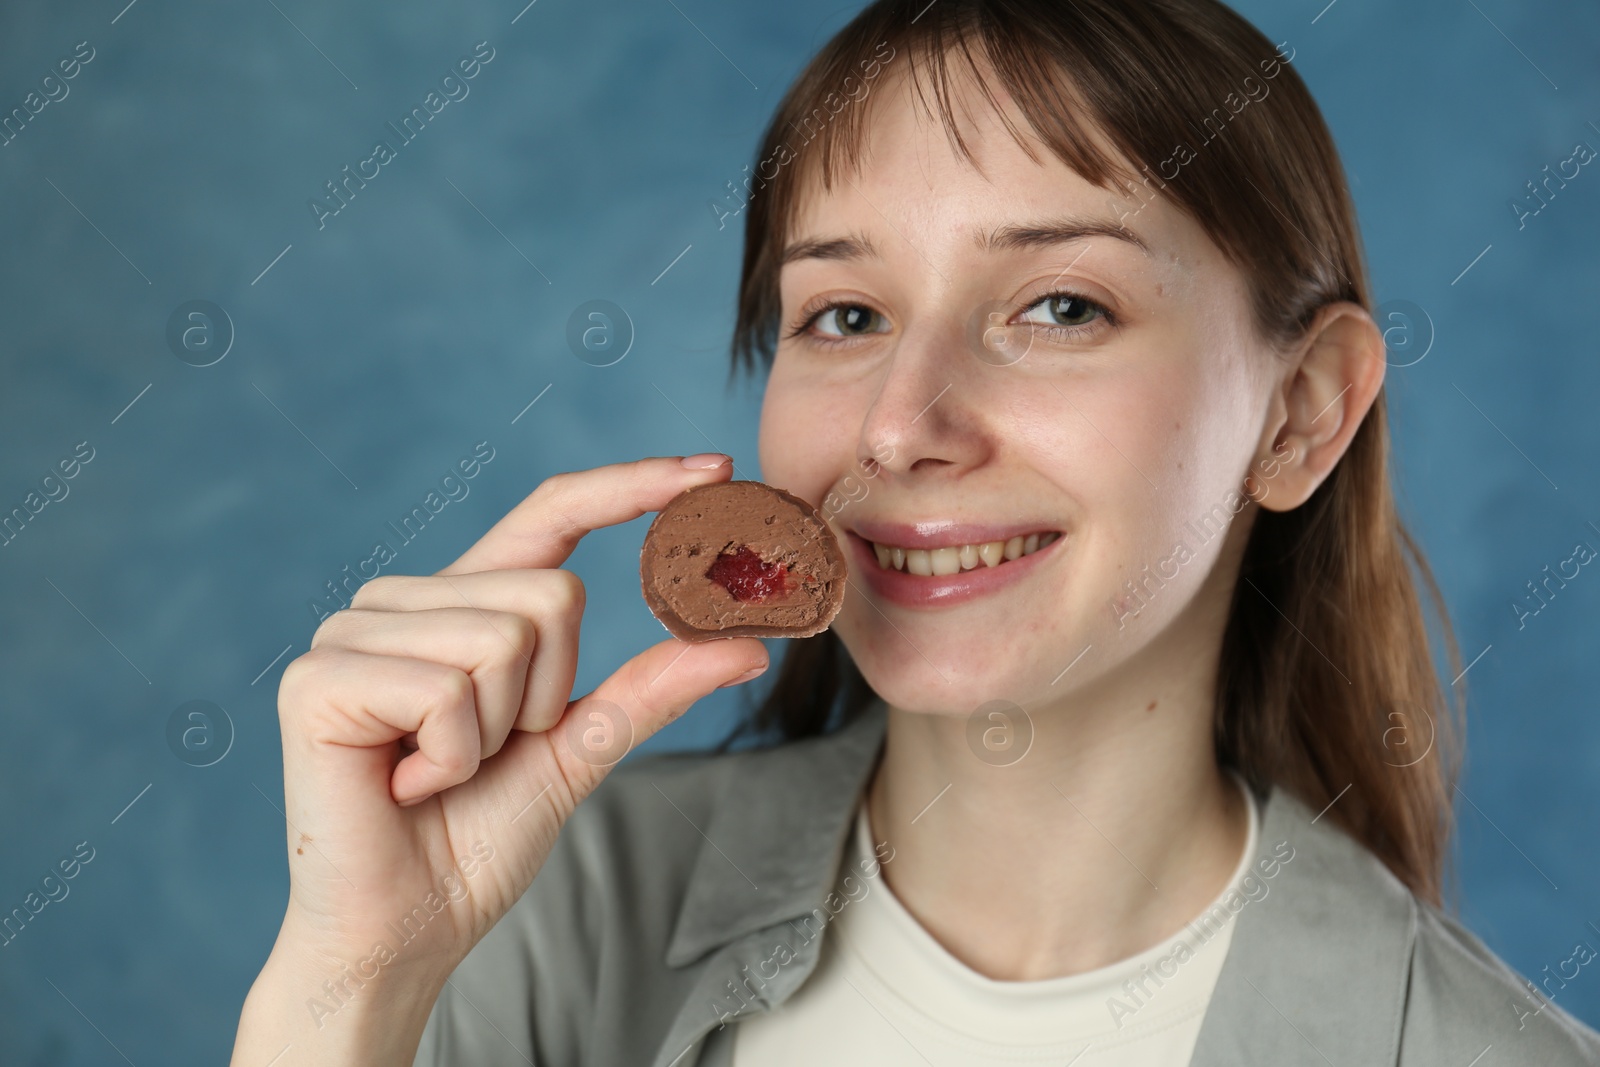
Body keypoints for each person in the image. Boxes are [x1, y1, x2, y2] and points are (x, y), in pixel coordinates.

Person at [230, 0, 1600, 1064]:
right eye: (846, 314)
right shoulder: (552, 904)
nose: (899, 424)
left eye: (1060, 306)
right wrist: (355, 982)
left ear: (1299, 413)